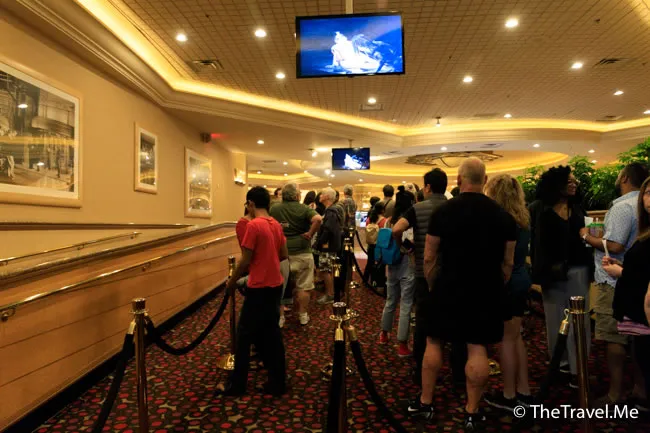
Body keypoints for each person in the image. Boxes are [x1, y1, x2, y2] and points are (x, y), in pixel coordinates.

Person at [408, 158, 516, 431]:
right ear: (485, 180)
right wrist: (498, 283)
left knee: (434, 342)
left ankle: (426, 402)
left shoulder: (443, 211)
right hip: (486, 288)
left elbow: (429, 256)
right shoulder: (502, 215)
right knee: (477, 347)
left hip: (447, 285)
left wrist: (433, 285)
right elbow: (508, 262)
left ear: (458, 180)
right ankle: (471, 411)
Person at [581, 163, 649, 408]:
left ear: (625, 178)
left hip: (614, 282)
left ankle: (615, 394)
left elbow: (616, 246)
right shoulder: (636, 207)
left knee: (615, 339)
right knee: (638, 338)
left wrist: (586, 236)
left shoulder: (622, 207)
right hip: (636, 284)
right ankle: (640, 390)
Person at [221, 186, 288, 396]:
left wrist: (231, 281)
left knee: (243, 336)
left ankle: (237, 385)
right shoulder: (275, 224)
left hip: (259, 286)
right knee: (271, 335)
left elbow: (245, 260)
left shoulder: (254, 225)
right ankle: (278, 381)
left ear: (250, 203)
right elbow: (284, 254)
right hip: (275, 284)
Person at [533, 166, 592, 387]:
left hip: (578, 270)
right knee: (554, 320)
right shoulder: (542, 211)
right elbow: (539, 247)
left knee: (580, 321)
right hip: (553, 274)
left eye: (575, 181)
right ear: (556, 185)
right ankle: (561, 363)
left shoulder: (578, 209)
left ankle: (579, 368)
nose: (574, 184)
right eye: (569, 181)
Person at [392, 168, 449, 384]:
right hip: (450, 273)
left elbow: (397, 229)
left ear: (427, 187)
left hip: (423, 272)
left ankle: (421, 368)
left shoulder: (418, 208)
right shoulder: (452, 206)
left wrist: (404, 247)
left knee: (423, 322)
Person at [483, 175, 534, 411]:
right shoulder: (523, 218)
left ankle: (509, 394)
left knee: (506, 339)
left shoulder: (501, 221)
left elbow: (504, 260)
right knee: (516, 337)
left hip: (508, 280)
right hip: (522, 278)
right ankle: (524, 389)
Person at [604, 176, 650, 410]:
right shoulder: (645, 231)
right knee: (642, 356)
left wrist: (621, 272)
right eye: (647, 193)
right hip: (638, 308)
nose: (649, 199)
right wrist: (622, 267)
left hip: (645, 309)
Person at [270, 183, 322, 326]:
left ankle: (280, 317)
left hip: (280, 253)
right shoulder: (304, 208)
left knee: (279, 286)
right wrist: (310, 233)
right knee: (304, 286)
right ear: (297, 195)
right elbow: (318, 219)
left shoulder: (274, 208)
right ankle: (303, 315)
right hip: (302, 251)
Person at [379, 186, 416, 357]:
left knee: (391, 300)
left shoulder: (388, 220)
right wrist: (406, 247)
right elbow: (409, 241)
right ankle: (402, 344)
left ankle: (384, 334)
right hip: (406, 262)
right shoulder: (408, 221)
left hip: (391, 262)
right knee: (406, 303)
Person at [315, 188, 343, 305]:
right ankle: (330, 293)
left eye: (322, 194)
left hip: (328, 246)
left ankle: (330, 294)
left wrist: (320, 243)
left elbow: (328, 230)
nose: (320, 196)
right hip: (331, 245)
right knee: (327, 270)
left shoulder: (331, 211)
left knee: (326, 270)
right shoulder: (332, 210)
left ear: (326, 197)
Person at [363, 202, 384, 285]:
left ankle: (366, 280)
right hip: (380, 246)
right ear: (382, 210)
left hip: (371, 245)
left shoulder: (369, 219)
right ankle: (377, 282)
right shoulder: (384, 221)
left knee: (370, 263)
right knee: (380, 264)